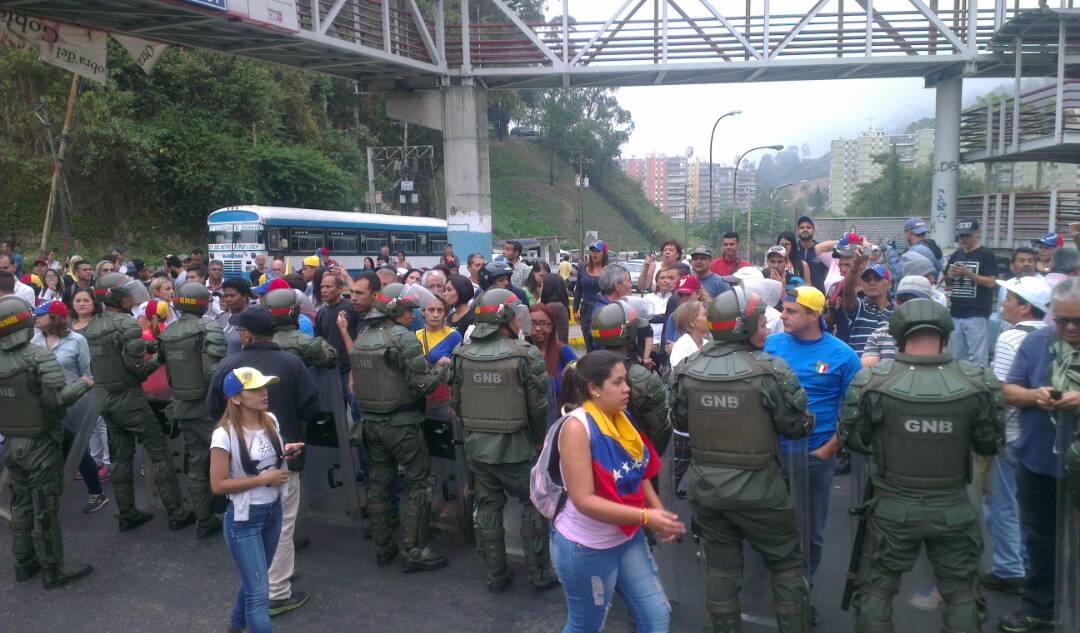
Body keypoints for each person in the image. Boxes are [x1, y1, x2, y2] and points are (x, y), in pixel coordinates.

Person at [840, 299, 1004, 633]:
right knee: (961, 595)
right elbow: (989, 444)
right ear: (944, 333)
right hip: (953, 506)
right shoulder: (979, 382)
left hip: (892, 507)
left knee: (876, 592)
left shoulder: (871, 381)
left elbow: (855, 441)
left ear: (898, 333)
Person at [670, 287, 815, 632]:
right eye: (762, 323)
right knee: (786, 565)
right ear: (744, 326)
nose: (766, 330)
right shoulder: (771, 370)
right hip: (762, 492)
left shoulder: (687, 370)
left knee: (720, 567)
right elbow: (797, 427)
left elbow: (680, 423)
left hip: (707, 490)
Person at [551, 350, 686, 633]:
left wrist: (659, 511)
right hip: (585, 547)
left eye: (626, 381)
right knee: (585, 626)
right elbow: (584, 500)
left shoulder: (621, 418)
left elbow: (637, 471)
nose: (627, 390)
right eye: (618, 382)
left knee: (657, 616)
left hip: (626, 537)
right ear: (594, 389)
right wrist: (648, 517)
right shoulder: (577, 428)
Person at [207, 308, 321, 616]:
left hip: (239, 466)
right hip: (283, 461)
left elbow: (213, 409)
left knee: (251, 526)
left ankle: (267, 582)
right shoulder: (292, 363)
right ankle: (277, 591)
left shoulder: (228, 365)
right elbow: (312, 406)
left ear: (245, 334)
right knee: (281, 525)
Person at [448, 288, 557, 592]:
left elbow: (455, 404)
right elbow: (538, 409)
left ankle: (496, 573)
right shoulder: (526, 355)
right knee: (533, 503)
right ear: (506, 318)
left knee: (488, 505)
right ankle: (538, 573)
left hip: (477, 447)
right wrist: (539, 441)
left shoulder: (460, 354)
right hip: (517, 448)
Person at [349, 283, 451, 572]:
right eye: (409, 311)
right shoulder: (404, 339)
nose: (412, 317)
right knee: (420, 483)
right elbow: (421, 386)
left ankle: (383, 546)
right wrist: (442, 368)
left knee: (379, 484)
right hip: (403, 425)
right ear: (396, 311)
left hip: (370, 424)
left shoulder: (363, 336)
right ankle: (415, 549)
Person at [998, 277, 1080, 633]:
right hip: (1039, 460)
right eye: (1062, 321)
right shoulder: (1037, 341)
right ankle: (1039, 608)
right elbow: (1007, 389)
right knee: (1039, 540)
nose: (1070, 328)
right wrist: (1036, 396)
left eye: (1079, 321)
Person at [765, 286, 860, 584]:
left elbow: (858, 410)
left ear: (814, 315)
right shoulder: (769, 346)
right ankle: (773, 592)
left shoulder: (842, 355)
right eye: (785, 308)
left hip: (814, 456)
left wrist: (831, 447)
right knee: (769, 526)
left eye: (792, 311)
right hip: (771, 455)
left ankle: (802, 592)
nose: (784, 314)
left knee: (809, 531)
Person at [85, 273, 194, 532]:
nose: (132, 298)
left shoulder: (94, 325)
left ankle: (127, 513)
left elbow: (114, 357)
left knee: (121, 459)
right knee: (159, 453)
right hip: (130, 399)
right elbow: (138, 370)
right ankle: (176, 512)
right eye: (127, 294)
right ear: (118, 297)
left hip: (106, 400)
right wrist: (160, 358)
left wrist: (149, 348)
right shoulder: (126, 324)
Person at [0, 295, 95, 588]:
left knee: (21, 503)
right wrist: (83, 384)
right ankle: (53, 568)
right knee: (45, 505)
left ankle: (24, 562)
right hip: (41, 442)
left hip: (13, 441)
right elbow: (57, 400)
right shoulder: (37, 356)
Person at [210, 367, 306, 633]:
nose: (264, 393)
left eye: (264, 387)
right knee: (259, 594)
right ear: (236, 398)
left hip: (272, 512)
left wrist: (284, 452)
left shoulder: (270, 421)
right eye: (255, 389)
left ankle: (235, 627)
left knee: (256, 579)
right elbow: (218, 485)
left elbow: (263, 461)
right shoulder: (224, 434)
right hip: (244, 520)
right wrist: (264, 480)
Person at [982, 276, 1051, 597]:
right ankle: (1025, 563)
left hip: (1010, 435)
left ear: (1025, 307)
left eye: (1009, 298)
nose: (1003, 302)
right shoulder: (1054, 338)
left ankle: (1010, 568)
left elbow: (999, 392)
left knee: (1003, 504)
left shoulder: (1011, 339)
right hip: (1041, 441)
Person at [157, 282, 229, 539]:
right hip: (209, 409)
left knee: (197, 463)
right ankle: (242, 517)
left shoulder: (169, 332)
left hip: (182, 406)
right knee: (236, 458)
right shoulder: (208, 326)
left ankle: (204, 518)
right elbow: (214, 371)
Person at [31, 301, 108, 513]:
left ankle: (96, 493)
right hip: (45, 404)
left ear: (54, 316)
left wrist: (78, 392)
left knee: (75, 449)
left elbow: (88, 374)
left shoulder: (77, 341)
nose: (36, 317)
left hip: (73, 404)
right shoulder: (34, 339)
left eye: (40, 314)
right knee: (50, 449)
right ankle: (49, 498)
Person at [590, 301, 672, 456]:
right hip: (635, 459)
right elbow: (661, 430)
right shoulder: (640, 376)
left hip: (596, 458)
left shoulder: (578, 368)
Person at [69, 287, 111, 481]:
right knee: (89, 424)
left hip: (99, 377)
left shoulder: (99, 324)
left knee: (101, 422)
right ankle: (94, 460)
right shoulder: (69, 325)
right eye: (78, 300)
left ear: (94, 304)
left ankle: (108, 462)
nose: (82, 303)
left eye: (86, 300)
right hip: (78, 380)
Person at [945, 220, 999, 366]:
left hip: (977, 313)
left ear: (978, 233)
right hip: (956, 312)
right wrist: (950, 276)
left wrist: (968, 273)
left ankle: (980, 384)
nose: (964, 239)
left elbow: (991, 282)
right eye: (961, 236)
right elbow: (947, 283)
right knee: (957, 358)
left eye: (968, 236)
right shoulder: (957, 254)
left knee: (978, 358)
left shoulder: (986, 254)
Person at [860, 275, 936, 367]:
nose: (907, 305)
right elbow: (867, 370)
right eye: (902, 300)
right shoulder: (880, 335)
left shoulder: (936, 335)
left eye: (915, 300)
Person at [314, 275, 358, 399]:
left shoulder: (352, 308)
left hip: (350, 369)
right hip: (331, 371)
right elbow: (320, 341)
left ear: (340, 289)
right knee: (337, 413)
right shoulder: (320, 314)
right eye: (322, 287)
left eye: (328, 286)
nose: (324, 290)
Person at [842, 257, 894, 356]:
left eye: (877, 279)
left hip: (889, 369)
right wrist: (855, 267)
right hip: (861, 369)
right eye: (867, 279)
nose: (872, 283)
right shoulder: (859, 307)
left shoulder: (897, 313)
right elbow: (848, 292)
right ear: (862, 284)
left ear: (889, 284)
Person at [528, 303, 576, 401]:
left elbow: (579, 381)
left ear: (551, 327)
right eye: (532, 323)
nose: (537, 328)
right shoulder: (520, 353)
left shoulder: (563, 352)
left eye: (543, 323)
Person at [574, 242, 608, 350]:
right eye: (593, 251)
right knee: (588, 341)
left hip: (603, 310)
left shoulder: (609, 270)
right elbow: (578, 289)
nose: (595, 254)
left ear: (604, 253)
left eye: (598, 251)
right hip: (586, 309)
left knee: (601, 342)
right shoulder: (583, 268)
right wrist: (575, 309)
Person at [218, 278, 254, 355]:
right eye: (226, 296)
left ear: (244, 296)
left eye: (232, 296)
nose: (228, 299)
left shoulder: (255, 319)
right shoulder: (221, 318)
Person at [669, 299, 708, 369]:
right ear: (692, 322)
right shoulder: (680, 347)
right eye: (705, 315)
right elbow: (678, 375)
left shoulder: (708, 343)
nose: (708, 318)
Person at [540, 276, 572, 346]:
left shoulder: (553, 306)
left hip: (553, 349)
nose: (540, 288)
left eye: (542, 286)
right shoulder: (559, 305)